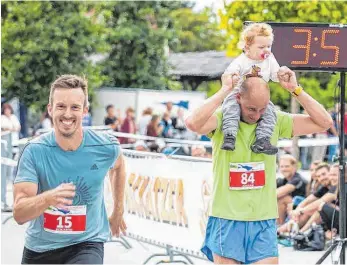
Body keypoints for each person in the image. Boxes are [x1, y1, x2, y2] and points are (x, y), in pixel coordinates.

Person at [185, 66, 333, 264]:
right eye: (251, 109)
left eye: (262, 109)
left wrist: (296, 90)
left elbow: (324, 123)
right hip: (227, 218)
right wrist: (223, 91)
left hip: (263, 219)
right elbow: (192, 123)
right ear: (238, 99)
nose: (257, 115)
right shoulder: (222, 119)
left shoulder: (275, 120)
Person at [13, 75, 127, 264]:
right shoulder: (34, 151)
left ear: (85, 111)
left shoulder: (104, 146)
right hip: (41, 249)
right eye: (60, 106)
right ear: (50, 109)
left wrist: (118, 211)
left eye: (75, 107)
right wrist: (48, 198)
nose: (67, 114)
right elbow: (19, 213)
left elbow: (119, 166)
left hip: (86, 244)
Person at [221, 23, 280, 155]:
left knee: (270, 113)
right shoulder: (241, 61)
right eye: (261, 47)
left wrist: (282, 74)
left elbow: (276, 76)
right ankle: (230, 136)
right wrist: (233, 76)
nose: (266, 50)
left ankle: (262, 140)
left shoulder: (270, 59)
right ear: (247, 47)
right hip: (240, 94)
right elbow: (229, 73)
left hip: (260, 96)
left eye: (269, 46)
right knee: (230, 108)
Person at [276, 155, 307, 225]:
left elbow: (277, 193)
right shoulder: (282, 180)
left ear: (294, 167)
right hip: (293, 208)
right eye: (281, 166)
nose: (284, 169)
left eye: (287, 166)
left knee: (283, 198)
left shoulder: (297, 179)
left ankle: (279, 227)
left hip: (302, 208)